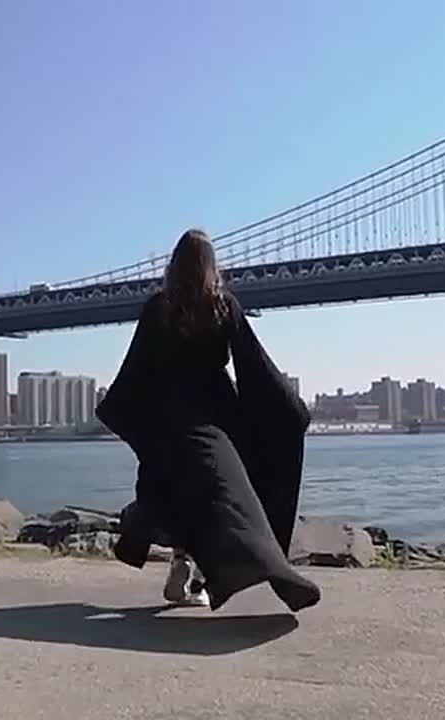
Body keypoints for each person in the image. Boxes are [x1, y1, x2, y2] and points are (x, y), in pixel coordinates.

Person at [96, 228, 321, 613]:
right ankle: (215, 574)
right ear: (211, 266)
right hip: (219, 417)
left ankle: (182, 560)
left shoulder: (158, 307)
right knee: (231, 495)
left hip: (168, 418)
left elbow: (138, 367)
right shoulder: (223, 305)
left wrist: (132, 416)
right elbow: (255, 363)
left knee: (172, 486)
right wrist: (290, 410)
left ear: (173, 265)